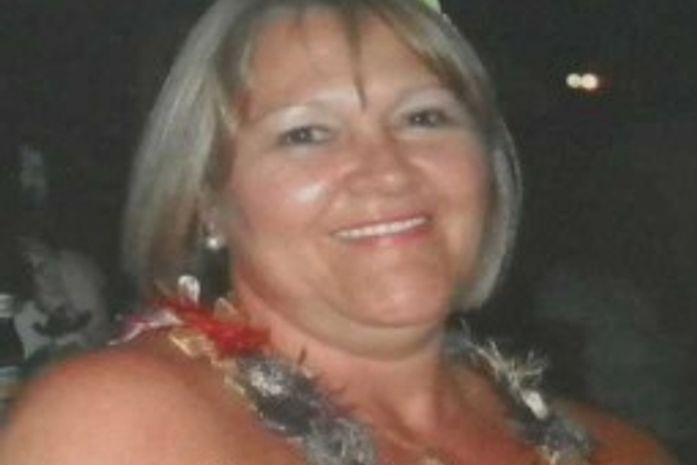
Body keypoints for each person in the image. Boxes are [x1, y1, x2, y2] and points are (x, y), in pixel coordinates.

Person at [0, 1, 673, 464]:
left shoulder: (622, 450)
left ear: (489, 167)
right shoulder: (121, 429)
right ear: (207, 201)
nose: (386, 170)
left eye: (424, 118)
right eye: (306, 133)